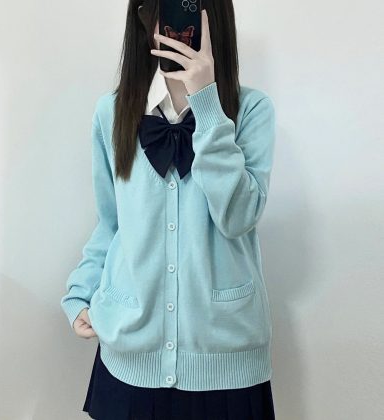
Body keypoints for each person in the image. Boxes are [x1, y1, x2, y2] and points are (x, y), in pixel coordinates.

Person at [60, 1, 276, 419]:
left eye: (187, 7)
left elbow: (238, 217)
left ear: (214, 16)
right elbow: (111, 223)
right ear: (143, 18)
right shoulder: (112, 113)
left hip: (226, 362)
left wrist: (208, 106)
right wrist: (80, 291)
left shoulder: (252, 110)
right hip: (129, 356)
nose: (174, 23)